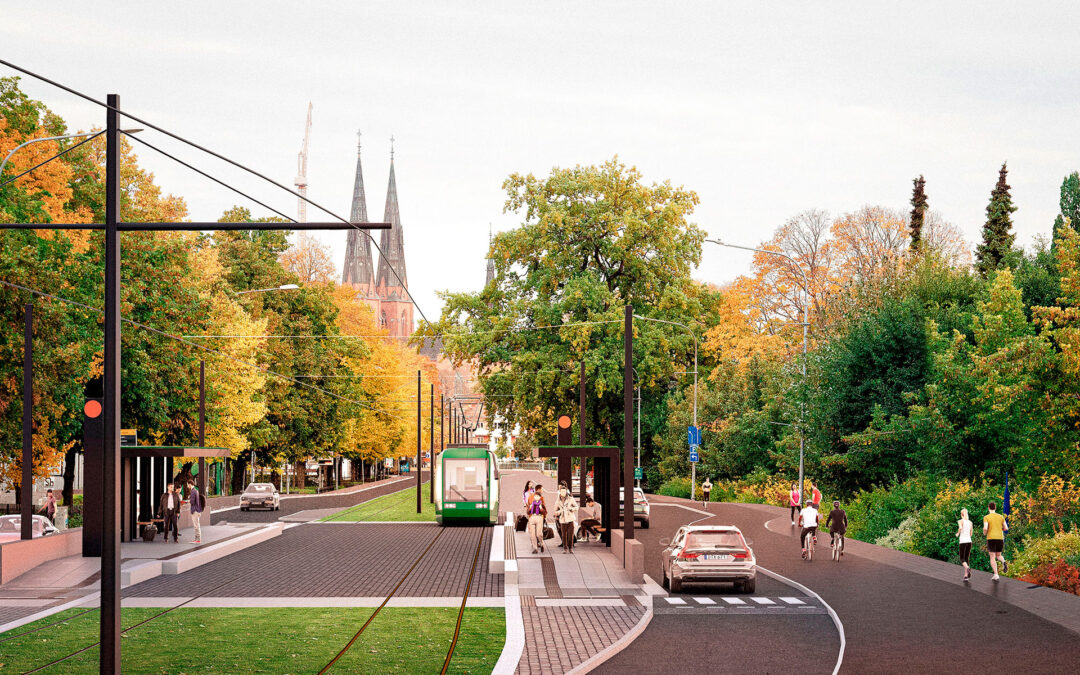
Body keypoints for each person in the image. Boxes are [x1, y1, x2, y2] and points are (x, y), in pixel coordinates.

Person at [983, 501, 1009, 580]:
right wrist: (1000, 529)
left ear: (988, 508)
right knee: (999, 555)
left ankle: (996, 574)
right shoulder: (1001, 517)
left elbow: (985, 528)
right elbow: (1006, 528)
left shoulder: (987, 517)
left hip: (991, 538)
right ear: (995, 508)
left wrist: (985, 533)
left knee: (992, 557)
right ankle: (1003, 561)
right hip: (1000, 538)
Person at [553, 481, 579, 554]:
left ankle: (570, 548)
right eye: (561, 491)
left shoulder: (570, 498)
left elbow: (577, 507)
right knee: (564, 535)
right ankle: (565, 548)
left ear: (566, 491)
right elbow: (555, 511)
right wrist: (559, 512)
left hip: (570, 519)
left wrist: (571, 509)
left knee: (570, 535)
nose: (563, 492)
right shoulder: (557, 500)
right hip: (563, 519)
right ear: (560, 492)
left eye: (564, 491)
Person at [526, 484, 547, 554]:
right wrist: (530, 508)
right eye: (542, 489)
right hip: (532, 517)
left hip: (539, 517)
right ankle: (535, 548)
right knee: (532, 534)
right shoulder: (531, 498)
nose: (542, 490)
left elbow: (545, 511)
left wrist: (541, 508)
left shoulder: (541, 500)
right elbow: (527, 510)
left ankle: (542, 543)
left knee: (539, 534)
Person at [956, 508, 973, 581]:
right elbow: (971, 533)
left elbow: (960, 527)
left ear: (961, 514)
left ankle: (967, 568)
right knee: (966, 558)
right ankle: (966, 575)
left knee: (962, 559)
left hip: (963, 541)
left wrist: (958, 533)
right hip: (969, 541)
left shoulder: (960, 521)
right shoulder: (970, 522)